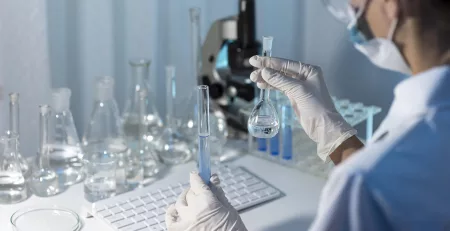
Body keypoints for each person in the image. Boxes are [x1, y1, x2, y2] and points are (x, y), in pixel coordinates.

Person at [165, 0, 450, 230]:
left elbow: (377, 181)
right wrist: (338, 138)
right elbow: (402, 190)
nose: (352, 12)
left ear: (392, 4)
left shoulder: (363, 181)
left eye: (356, 3)